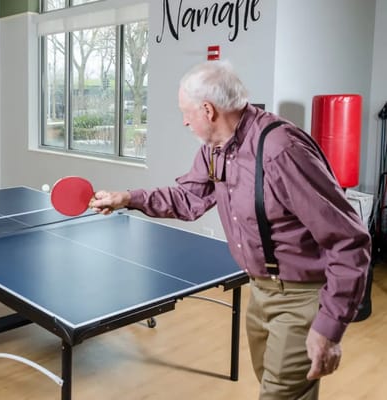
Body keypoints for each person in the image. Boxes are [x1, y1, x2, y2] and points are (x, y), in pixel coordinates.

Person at [91, 61, 370, 399]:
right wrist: (127, 198)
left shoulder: (280, 151)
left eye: (186, 112)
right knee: (274, 382)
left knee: (281, 393)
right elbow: (189, 198)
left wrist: (329, 326)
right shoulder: (215, 150)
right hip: (261, 289)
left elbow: (349, 239)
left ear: (208, 110)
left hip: (301, 297)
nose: (184, 121)